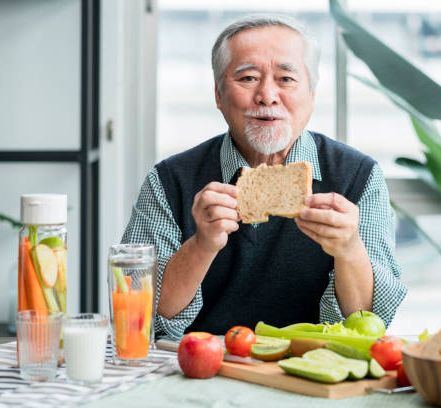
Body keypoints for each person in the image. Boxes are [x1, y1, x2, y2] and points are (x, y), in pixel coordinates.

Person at [122, 14, 407, 339]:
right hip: (200, 369)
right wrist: (202, 245)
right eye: (247, 78)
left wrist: (349, 249)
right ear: (218, 94)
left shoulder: (358, 177)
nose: (267, 95)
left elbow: (368, 323)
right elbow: (139, 316)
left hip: (313, 370)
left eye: (286, 79)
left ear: (312, 95)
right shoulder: (169, 182)